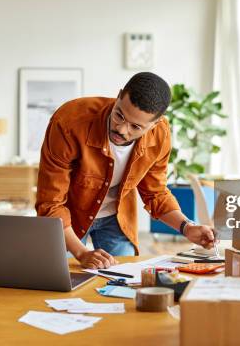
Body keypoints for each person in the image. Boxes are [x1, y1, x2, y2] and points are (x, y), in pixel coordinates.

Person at [36, 72, 216, 269]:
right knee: (60, 281)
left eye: (135, 127)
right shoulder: (69, 122)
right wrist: (81, 253)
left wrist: (187, 227)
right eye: (119, 115)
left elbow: (155, 194)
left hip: (117, 218)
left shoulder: (160, 134)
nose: (122, 129)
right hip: (68, 219)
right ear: (119, 95)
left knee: (121, 281)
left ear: (154, 124)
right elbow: (50, 203)